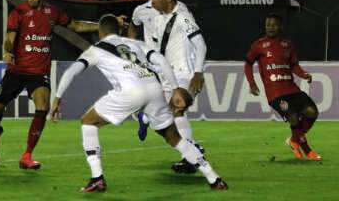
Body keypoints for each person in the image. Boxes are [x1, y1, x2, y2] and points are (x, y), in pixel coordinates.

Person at [50, 14, 228, 192]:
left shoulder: (96, 50)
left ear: (100, 31)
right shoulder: (137, 44)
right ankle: (214, 178)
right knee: (175, 138)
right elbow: (161, 60)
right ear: (118, 30)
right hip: (154, 87)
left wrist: (57, 97)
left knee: (88, 122)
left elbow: (73, 71)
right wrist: (174, 89)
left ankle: (97, 178)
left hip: (130, 91)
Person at [0, 0, 122, 170]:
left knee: (42, 108)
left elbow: (75, 25)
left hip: (39, 72)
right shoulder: (18, 13)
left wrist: (103, 25)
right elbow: (9, 38)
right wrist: (7, 51)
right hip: (16, 71)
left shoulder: (52, 12)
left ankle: (27, 156)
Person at [244, 14, 321, 161]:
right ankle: (307, 150)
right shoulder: (258, 45)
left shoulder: (288, 44)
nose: (270, 28)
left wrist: (304, 74)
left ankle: (294, 140)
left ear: (280, 26)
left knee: (312, 112)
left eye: (273, 25)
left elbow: (294, 66)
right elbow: (247, 63)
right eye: (268, 25)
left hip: (291, 89)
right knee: (293, 117)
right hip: (275, 93)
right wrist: (252, 83)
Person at [150, 0, 207, 173]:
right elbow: (159, 51)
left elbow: (201, 44)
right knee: (163, 121)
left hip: (185, 73)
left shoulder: (183, 17)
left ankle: (190, 157)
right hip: (167, 77)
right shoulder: (157, 20)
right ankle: (192, 150)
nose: (153, 1)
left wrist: (198, 72)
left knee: (177, 108)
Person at [128, 0, 191, 141]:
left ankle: (145, 118)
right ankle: (190, 150)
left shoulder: (180, 9)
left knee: (171, 107)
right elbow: (134, 26)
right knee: (174, 107)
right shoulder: (141, 10)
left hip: (173, 62)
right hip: (153, 64)